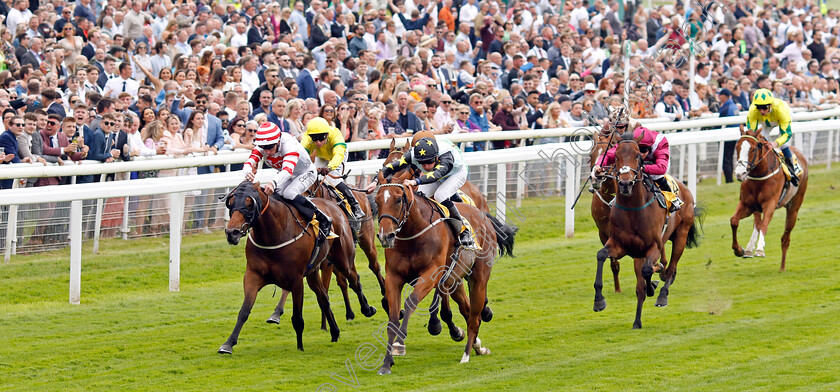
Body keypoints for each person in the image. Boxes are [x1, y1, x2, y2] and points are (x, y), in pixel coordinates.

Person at [242, 122, 330, 274]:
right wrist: (248, 171)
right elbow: (250, 161)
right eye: (265, 148)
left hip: (305, 173)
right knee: (276, 197)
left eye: (270, 147)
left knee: (289, 193)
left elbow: (288, 171)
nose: (267, 151)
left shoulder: (289, 145)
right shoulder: (264, 144)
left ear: (277, 141)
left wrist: (273, 183)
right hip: (288, 173)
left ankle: (322, 218)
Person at [368, 136, 478, 250]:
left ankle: (464, 231)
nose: (425, 166)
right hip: (436, 175)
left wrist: (415, 181)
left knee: (440, 195)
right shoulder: (411, 155)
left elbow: (436, 175)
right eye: (422, 163)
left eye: (429, 162)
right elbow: (389, 167)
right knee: (419, 196)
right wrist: (375, 181)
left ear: (436, 157)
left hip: (455, 174)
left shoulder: (446, 157)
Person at [591, 107, 684, 212]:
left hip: (654, 162)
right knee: (624, 175)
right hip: (634, 157)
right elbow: (608, 155)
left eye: (644, 150)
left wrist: (640, 168)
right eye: (640, 150)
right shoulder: (630, 142)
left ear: (650, 147)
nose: (642, 154)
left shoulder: (660, 144)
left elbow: (661, 168)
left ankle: (672, 198)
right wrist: (599, 165)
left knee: (656, 175)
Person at [300, 117, 366, 232]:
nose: (318, 143)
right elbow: (301, 156)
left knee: (332, 179)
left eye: (321, 139)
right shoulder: (306, 138)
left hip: (338, 155)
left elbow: (338, 155)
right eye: (314, 140)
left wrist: (329, 168)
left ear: (327, 134)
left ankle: (354, 205)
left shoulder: (336, 135)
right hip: (322, 157)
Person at [745, 88, 803, 186]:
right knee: (760, 140)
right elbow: (752, 133)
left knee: (782, 143)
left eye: (764, 107)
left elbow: (786, 134)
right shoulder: (753, 110)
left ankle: (792, 167)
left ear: (770, 105)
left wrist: (775, 143)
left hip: (780, 118)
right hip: (765, 122)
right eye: (758, 107)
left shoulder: (781, 110)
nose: (761, 111)